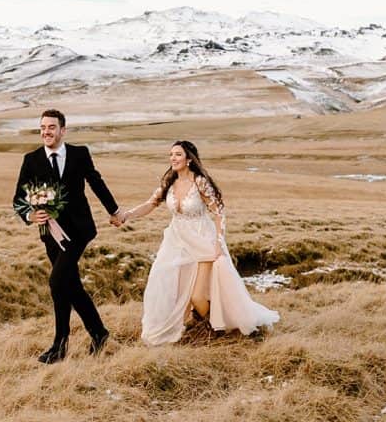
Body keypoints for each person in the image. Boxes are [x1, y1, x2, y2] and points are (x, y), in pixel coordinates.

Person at [113, 140, 279, 345]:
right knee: (165, 284)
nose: (173, 158)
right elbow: (150, 204)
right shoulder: (168, 183)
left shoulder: (200, 182)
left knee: (198, 297)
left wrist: (219, 242)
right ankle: (201, 328)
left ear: (189, 159)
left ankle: (216, 327)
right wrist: (126, 215)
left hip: (203, 242)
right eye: (171, 154)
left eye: (178, 154)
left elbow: (219, 212)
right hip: (176, 243)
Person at [13, 109, 122, 364]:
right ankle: (99, 334)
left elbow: (96, 183)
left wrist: (115, 211)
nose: (46, 132)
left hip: (79, 230)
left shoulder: (79, 154)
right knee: (71, 285)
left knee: (57, 282)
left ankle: (59, 345)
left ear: (63, 130)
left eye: (51, 127)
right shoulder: (31, 160)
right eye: (42, 127)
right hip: (50, 233)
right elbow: (19, 198)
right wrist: (31, 215)